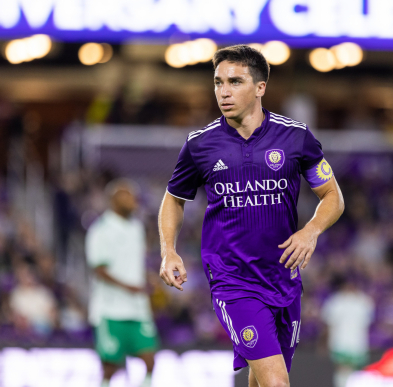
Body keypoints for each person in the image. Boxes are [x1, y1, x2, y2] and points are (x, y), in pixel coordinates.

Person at [158, 45, 345, 387]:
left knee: (261, 379)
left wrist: (311, 230)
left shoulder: (296, 137)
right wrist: (169, 249)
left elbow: (332, 196)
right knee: (276, 382)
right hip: (233, 281)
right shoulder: (201, 144)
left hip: (283, 279)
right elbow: (173, 200)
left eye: (235, 82)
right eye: (218, 82)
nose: (223, 91)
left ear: (260, 88)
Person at [86, 179, 158, 387]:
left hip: (137, 308)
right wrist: (130, 287)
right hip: (110, 309)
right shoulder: (101, 229)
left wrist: (148, 278)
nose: (133, 199)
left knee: (150, 360)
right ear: (114, 200)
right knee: (110, 367)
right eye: (126, 195)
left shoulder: (137, 227)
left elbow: (134, 262)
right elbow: (98, 269)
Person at [321, 276, 375, 387]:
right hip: (340, 343)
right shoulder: (335, 301)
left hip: (357, 344)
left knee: (355, 372)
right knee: (343, 370)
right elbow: (328, 325)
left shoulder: (364, 301)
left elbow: (368, 324)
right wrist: (324, 343)